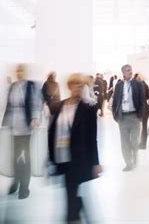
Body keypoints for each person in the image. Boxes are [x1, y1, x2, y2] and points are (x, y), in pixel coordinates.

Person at [48, 73, 102, 223]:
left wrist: (96, 162)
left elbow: (92, 138)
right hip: (61, 155)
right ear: (69, 86)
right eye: (76, 84)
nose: (79, 88)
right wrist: (50, 158)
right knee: (71, 188)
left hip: (79, 157)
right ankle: (76, 212)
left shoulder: (88, 108)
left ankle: (72, 216)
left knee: (71, 187)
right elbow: (51, 133)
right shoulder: (58, 106)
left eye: (82, 85)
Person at [2, 64, 43, 199]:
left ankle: (24, 187)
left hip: (26, 127)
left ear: (26, 72)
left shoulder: (32, 85)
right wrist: (5, 124)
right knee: (14, 157)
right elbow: (9, 106)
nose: (19, 73)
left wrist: (35, 117)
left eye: (21, 70)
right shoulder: (13, 86)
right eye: (17, 71)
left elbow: (37, 103)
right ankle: (15, 181)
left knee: (24, 157)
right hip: (13, 126)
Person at [112, 64, 145, 171]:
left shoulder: (138, 84)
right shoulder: (119, 85)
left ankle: (135, 155)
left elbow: (142, 101)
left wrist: (140, 116)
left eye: (131, 70)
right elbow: (115, 101)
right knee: (124, 142)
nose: (130, 72)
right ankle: (128, 163)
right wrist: (115, 115)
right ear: (123, 72)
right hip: (123, 118)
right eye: (127, 70)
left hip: (135, 116)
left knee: (134, 141)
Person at [135, 73, 149, 149]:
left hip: (140, 109)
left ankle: (140, 143)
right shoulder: (146, 85)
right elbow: (148, 96)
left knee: (140, 127)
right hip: (146, 108)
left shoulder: (137, 86)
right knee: (144, 126)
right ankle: (143, 144)